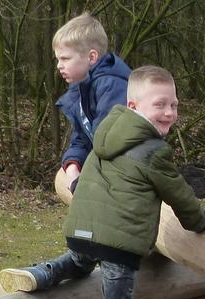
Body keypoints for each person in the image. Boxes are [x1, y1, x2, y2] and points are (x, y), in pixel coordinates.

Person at [0, 65, 205, 299]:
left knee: (78, 264)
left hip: (81, 232)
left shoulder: (106, 134)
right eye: (159, 104)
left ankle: (42, 274)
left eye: (174, 105)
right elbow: (181, 198)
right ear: (133, 106)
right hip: (118, 247)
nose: (169, 112)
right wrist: (203, 222)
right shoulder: (153, 151)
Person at [52, 12, 131, 198]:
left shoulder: (111, 86)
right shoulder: (82, 88)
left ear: (92, 57)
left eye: (65, 59)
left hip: (126, 181)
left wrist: (86, 179)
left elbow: (109, 144)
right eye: (58, 59)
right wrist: (72, 165)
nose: (58, 66)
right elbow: (82, 138)